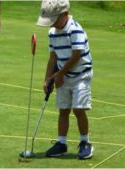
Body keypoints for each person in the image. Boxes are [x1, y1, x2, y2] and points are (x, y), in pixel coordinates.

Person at [37, 0, 94, 159]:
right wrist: (48, 79)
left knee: (78, 109)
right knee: (63, 110)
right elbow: (53, 57)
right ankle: (61, 143)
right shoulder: (52, 33)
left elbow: (76, 56)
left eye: (53, 20)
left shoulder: (75, 30)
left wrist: (60, 74)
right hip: (63, 74)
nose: (51, 24)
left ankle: (85, 142)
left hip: (81, 75)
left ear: (64, 14)